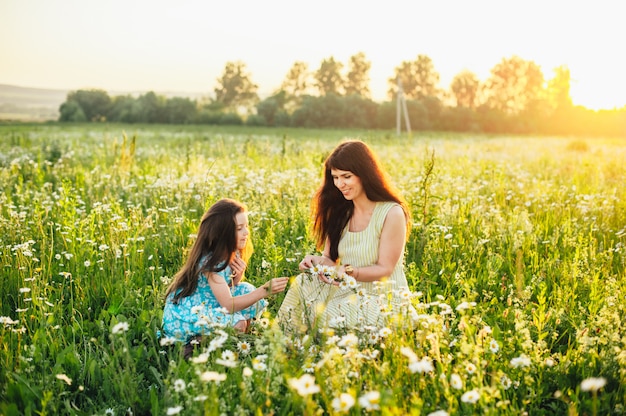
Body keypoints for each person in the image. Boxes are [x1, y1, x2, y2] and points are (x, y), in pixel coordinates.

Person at [278, 140, 413, 333]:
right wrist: (316, 262)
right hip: (347, 290)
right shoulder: (339, 212)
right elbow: (329, 259)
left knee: (324, 313)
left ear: (364, 174)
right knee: (302, 283)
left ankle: (309, 343)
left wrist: (349, 272)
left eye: (346, 177)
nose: (340, 184)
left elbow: (385, 268)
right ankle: (283, 344)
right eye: (335, 177)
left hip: (383, 299)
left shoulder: (391, 213)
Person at [162, 198, 289, 353]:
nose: (246, 232)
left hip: (211, 303)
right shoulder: (211, 262)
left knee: (247, 289)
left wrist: (237, 277)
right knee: (238, 322)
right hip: (189, 313)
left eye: (246, 226)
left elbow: (225, 289)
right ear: (223, 233)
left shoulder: (231, 251)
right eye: (239, 228)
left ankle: (237, 340)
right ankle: (196, 344)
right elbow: (228, 305)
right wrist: (264, 290)